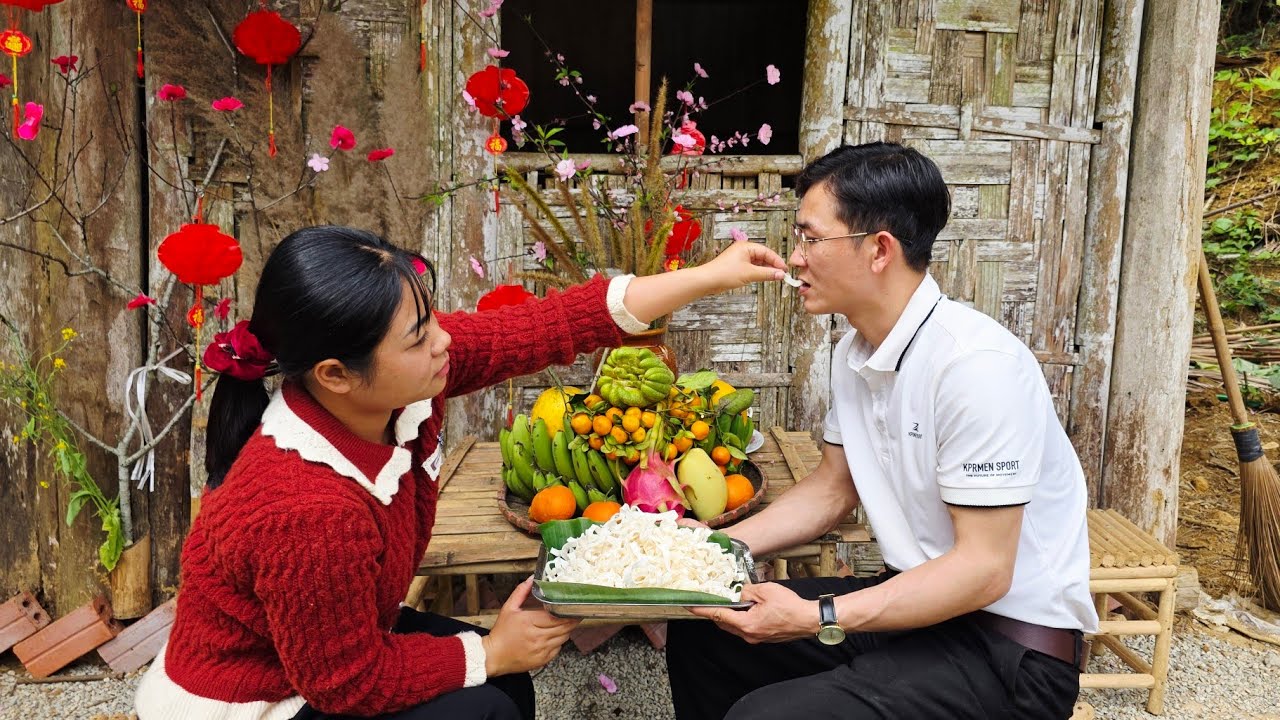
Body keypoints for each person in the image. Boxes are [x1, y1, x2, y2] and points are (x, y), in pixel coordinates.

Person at [134, 225, 788, 720]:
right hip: (258, 702)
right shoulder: (306, 502)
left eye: (430, 318)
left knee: (502, 687)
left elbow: (552, 323)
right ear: (334, 373)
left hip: (334, 644)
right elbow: (345, 682)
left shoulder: (396, 383)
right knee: (487, 700)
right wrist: (491, 651)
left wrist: (708, 276)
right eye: (418, 336)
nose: (444, 339)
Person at [666, 143, 1098, 720]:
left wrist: (819, 616)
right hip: (914, 612)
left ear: (878, 249)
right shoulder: (855, 351)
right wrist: (716, 549)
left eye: (810, 239)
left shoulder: (975, 365)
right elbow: (832, 487)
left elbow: (984, 570)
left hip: (1006, 650)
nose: (796, 258)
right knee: (708, 628)